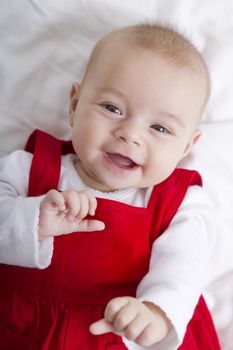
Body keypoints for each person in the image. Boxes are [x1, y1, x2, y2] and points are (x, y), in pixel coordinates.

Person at [0, 23, 220, 349]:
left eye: (159, 127)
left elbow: (184, 267)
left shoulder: (180, 203)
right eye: (112, 108)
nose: (130, 133)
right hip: (25, 325)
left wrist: (157, 313)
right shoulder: (28, 167)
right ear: (74, 105)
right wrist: (32, 217)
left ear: (187, 146)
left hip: (124, 332)